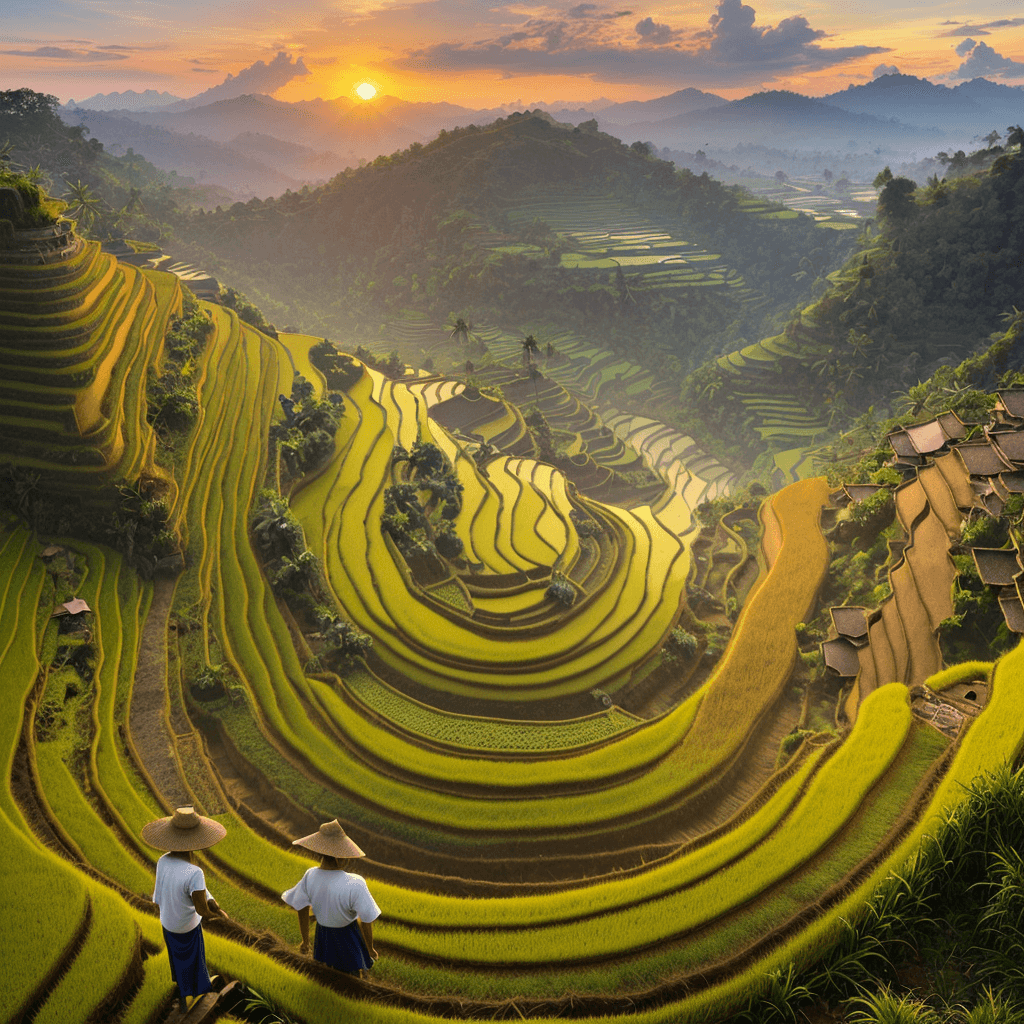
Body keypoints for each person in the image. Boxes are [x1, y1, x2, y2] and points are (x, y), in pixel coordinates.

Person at [141, 806, 230, 1013]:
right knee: (195, 959)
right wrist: (218, 917)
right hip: (186, 927)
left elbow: (164, 893)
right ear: (195, 839)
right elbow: (201, 909)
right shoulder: (195, 872)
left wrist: (214, 903)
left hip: (168, 924)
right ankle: (198, 991)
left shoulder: (163, 860)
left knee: (177, 960)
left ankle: (182, 993)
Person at [282, 820, 380, 976]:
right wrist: (370, 948)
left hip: (323, 939)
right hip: (348, 939)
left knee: (325, 976)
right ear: (339, 858)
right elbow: (366, 920)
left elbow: (301, 907)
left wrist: (305, 941)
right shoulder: (355, 882)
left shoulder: (310, 875)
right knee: (352, 979)